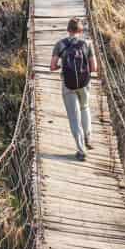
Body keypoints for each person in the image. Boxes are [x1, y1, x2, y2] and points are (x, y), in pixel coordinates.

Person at [49, 17, 96, 161]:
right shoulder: (87, 44)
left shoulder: (60, 44)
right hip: (84, 84)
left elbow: (52, 66)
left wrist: (62, 67)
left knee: (74, 117)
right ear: (80, 30)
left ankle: (81, 151)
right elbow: (94, 68)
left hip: (68, 85)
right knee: (85, 108)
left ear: (68, 30)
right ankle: (89, 138)